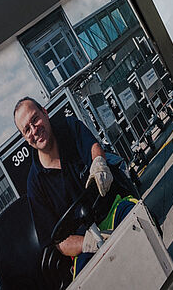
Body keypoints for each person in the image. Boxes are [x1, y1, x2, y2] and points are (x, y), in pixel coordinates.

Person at [13, 98, 134, 280]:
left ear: (45, 112)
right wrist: (89, 242)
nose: (34, 130)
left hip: (112, 210)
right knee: (89, 280)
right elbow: (58, 242)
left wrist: (99, 163)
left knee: (140, 221)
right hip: (84, 242)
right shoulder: (34, 184)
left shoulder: (70, 128)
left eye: (35, 119)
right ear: (25, 138)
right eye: (27, 129)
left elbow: (93, 147)